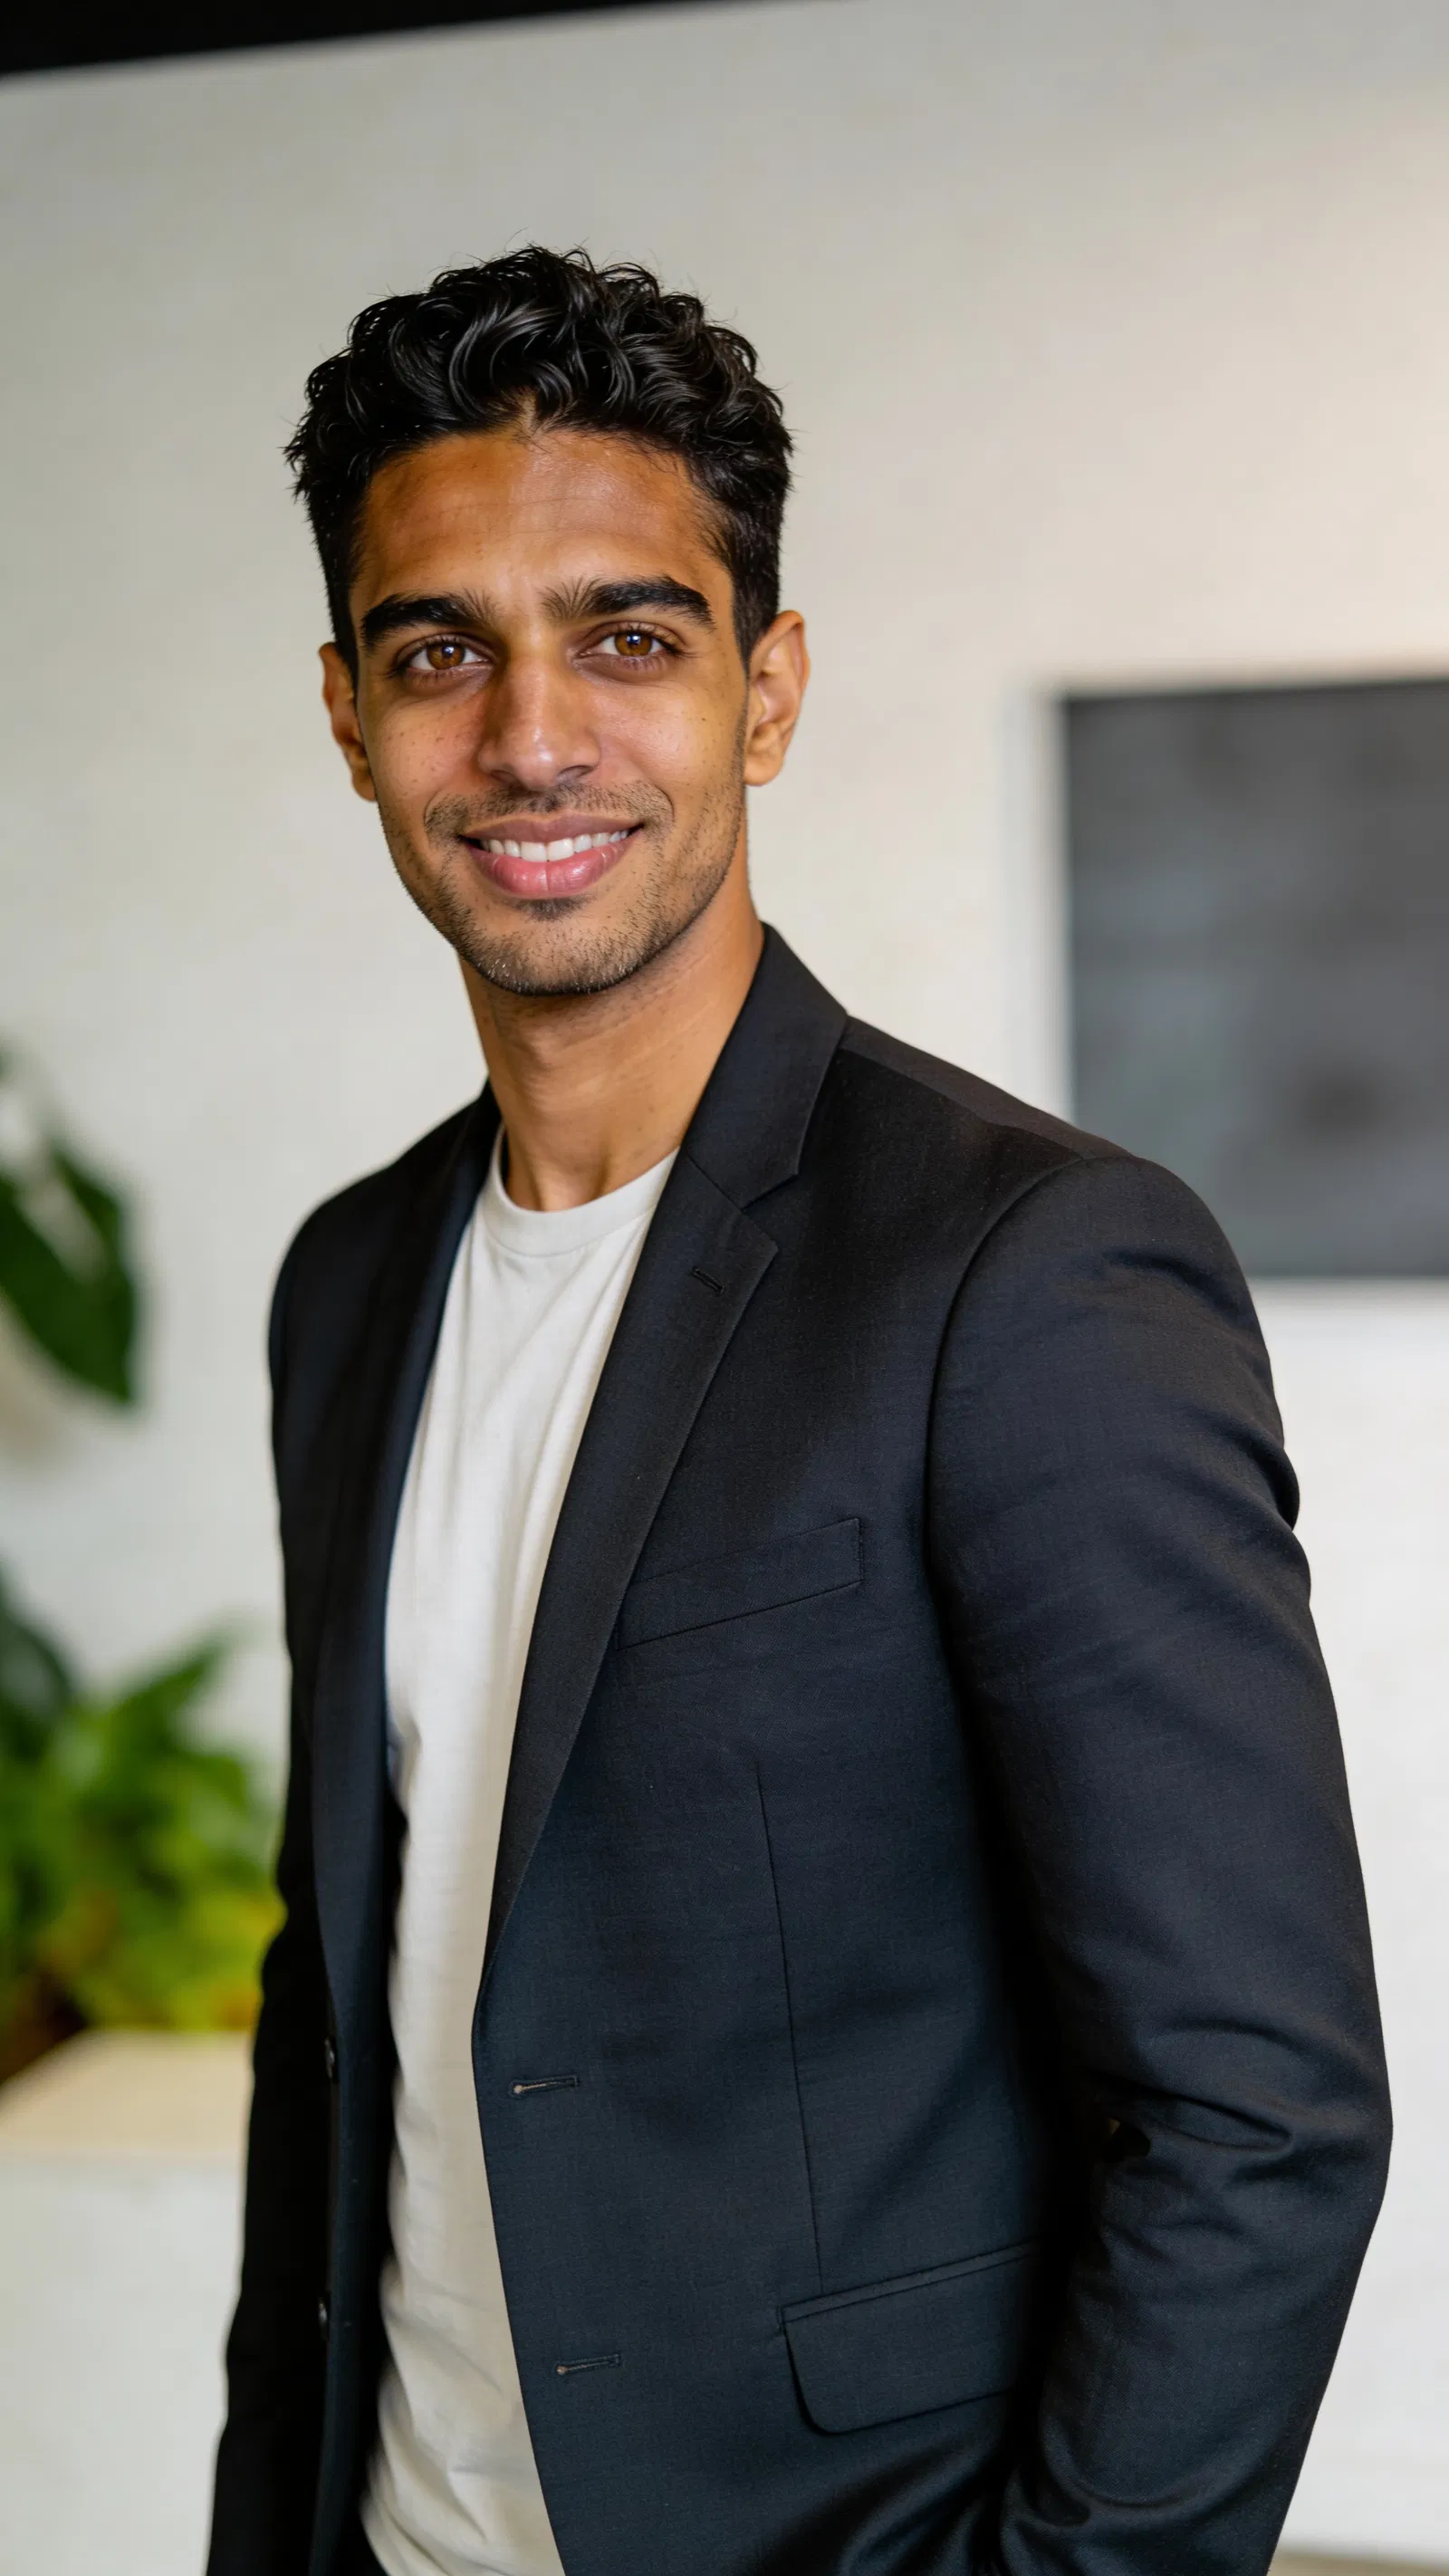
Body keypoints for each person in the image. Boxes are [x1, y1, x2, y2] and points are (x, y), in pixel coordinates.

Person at [207, 247, 1389, 2576]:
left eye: (628, 638)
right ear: (346, 712)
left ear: (767, 692)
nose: (529, 736)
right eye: (439, 650)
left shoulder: (1026, 1269)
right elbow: (338, 1994)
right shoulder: (346, 1285)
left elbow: (1252, 2110)